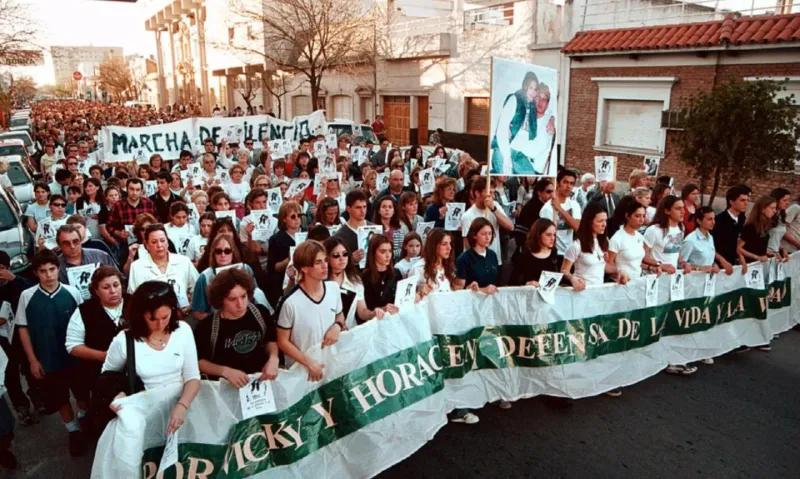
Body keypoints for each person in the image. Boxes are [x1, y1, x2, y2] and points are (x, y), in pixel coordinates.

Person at [102, 281, 200, 436]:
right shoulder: (124, 340)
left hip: (182, 406)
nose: (160, 324)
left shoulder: (183, 331)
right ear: (141, 315)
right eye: (152, 319)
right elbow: (107, 376)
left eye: (165, 317)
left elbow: (193, 377)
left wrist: (182, 406)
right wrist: (117, 395)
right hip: (143, 412)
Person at [16, 250, 87, 456]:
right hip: (48, 359)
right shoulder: (27, 296)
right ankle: (73, 431)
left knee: (82, 394)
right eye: (43, 271)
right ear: (36, 273)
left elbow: (84, 323)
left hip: (74, 358)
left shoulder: (72, 292)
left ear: (58, 269)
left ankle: (84, 419)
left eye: (52, 269)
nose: (48, 275)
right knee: (60, 398)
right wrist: (32, 360)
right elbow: (23, 328)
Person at [194, 269, 279, 385]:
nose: (240, 304)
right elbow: (199, 362)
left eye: (243, 296)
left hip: (261, 381)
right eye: (232, 299)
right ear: (221, 299)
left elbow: (271, 340)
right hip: (226, 387)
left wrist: (273, 358)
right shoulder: (206, 326)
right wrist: (225, 371)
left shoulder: (261, 313)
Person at [275, 240, 345, 381]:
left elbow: (340, 315)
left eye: (325, 260)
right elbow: (282, 341)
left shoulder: (333, 288)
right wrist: (309, 363)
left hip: (330, 365)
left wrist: (337, 326)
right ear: (304, 268)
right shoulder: (290, 302)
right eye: (318, 262)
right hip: (301, 373)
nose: (325, 266)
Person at [65, 267, 126, 415]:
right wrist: (104, 356)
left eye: (116, 285)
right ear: (96, 290)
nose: (113, 291)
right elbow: (72, 345)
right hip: (100, 375)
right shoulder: (84, 311)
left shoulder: (136, 303)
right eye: (106, 287)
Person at [191, 233, 270, 320]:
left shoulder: (246, 269)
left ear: (233, 252)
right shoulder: (204, 277)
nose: (223, 255)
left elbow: (255, 295)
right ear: (213, 253)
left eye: (227, 251)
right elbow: (198, 313)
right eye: (218, 251)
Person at [0, 252, 38, 426]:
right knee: (10, 375)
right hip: (2, 340)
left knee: (31, 369)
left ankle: (38, 398)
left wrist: (14, 279)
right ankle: (21, 408)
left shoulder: (18, 283)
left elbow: (34, 291)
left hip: (21, 335)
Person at [127, 223, 199, 312]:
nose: (159, 245)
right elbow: (134, 298)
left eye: (162, 240)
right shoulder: (137, 266)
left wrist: (189, 307)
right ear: (146, 244)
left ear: (167, 242)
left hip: (184, 314)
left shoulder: (184, 261)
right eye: (154, 242)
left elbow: (197, 289)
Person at [561, 204, 627, 290]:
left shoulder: (604, 241)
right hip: (583, 290)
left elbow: (602, 265)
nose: (604, 224)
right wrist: (573, 279)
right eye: (600, 221)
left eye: (605, 221)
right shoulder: (576, 245)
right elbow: (564, 270)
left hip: (599, 290)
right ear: (589, 222)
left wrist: (618, 270)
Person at [490, 72, 541, 175]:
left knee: (531, 175)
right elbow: (502, 129)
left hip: (519, 154)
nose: (533, 92)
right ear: (525, 86)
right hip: (503, 150)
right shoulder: (515, 99)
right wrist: (506, 157)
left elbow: (532, 136)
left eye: (535, 89)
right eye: (530, 88)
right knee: (507, 178)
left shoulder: (532, 107)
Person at [325, 237, 375, 329]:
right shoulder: (320, 281)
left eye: (345, 254)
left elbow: (362, 311)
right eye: (336, 255)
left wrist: (374, 313)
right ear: (327, 258)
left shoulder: (355, 280)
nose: (342, 259)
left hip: (350, 333)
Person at [608, 200, 658, 280]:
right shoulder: (617, 238)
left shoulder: (639, 236)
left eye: (643, 216)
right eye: (637, 216)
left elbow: (635, 262)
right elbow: (608, 265)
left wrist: (651, 267)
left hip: (637, 282)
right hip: (621, 284)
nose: (641, 220)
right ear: (627, 216)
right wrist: (621, 276)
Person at [644, 196, 694, 275]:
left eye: (683, 208)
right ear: (667, 211)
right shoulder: (654, 230)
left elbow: (675, 251)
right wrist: (659, 265)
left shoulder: (681, 228)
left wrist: (683, 263)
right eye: (678, 208)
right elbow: (642, 255)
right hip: (655, 276)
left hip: (671, 278)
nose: (683, 212)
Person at [539, 170, 581, 264]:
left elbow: (578, 227)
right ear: (558, 183)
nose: (568, 186)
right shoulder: (548, 208)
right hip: (553, 254)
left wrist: (560, 209)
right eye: (565, 182)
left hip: (570, 255)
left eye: (572, 183)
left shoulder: (574, 205)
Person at [266, 201, 303, 304]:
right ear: (284, 219)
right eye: (293, 216)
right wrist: (289, 259)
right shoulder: (276, 239)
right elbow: (273, 268)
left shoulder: (308, 233)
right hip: (284, 282)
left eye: (299, 215)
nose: (297, 219)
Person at [107, 178, 157, 249]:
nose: (134, 192)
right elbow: (109, 227)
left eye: (137, 190)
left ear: (141, 191)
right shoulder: (118, 205)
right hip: (126, 246)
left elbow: (156, 223)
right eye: (132, 189)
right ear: (126, 189)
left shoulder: (149, 204)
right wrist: (120, 234)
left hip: (147, 244)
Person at [508, 218, 560, 286]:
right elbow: (513, 280)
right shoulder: (525, 254)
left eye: (554, 234)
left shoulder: (554, 252)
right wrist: (527, 283)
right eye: (548, 235)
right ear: (538, 235)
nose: (553, 238)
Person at [456, 217, 500, 294]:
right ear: (474, 235)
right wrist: (480, 289)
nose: (487, 237)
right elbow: (458, 288)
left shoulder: (493, 255)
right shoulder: (464, 258)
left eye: (490, 233)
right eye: (483, 234)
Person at [712, 185, 750, 274]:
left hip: (733, 263)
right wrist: (722, 261)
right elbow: (710, 246)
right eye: (742, 200)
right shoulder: (718, 220)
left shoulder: (741, 218)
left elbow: (736, 242)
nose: (746, 203)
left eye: (747, 200)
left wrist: (741, 258)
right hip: (718, 265)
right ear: (732, 202)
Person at [360, 234, 399, 320]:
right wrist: (382, 309)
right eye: (383, 252)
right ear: (373, 253)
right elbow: (364, 309)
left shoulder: (396, 273)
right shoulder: (364, 277)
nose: (388, 255)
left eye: (390, 251)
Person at [333, 190, 371, 265]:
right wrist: (351, 259)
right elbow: (335, 263)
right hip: (354, 274)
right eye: (358, 207)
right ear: (348, 209)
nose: (362, 211)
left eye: (364, 207)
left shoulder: (375, 229)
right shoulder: (340, 236)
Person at [681, 207, 722, 274]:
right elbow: (681, 264)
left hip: (707, 281)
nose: (713, 222)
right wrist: (699, 268)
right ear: (699, 221)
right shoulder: (690, 240)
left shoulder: (710, 237)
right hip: (693, 281)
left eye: (713, 219)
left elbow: (708, 259)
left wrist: (714, 265)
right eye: (709, 219)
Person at [372, 196, 404, 261]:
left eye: (390, 207)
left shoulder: (399, 229)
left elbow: (402, 249)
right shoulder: (373, 228)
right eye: (384, 207)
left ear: (394, 211)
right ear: (379, 210)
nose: (387, 209)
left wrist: (389, 254)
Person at [768, 188, 798, 256]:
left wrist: (782, 249)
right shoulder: (768, 216)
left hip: (775, 254)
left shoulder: (781, 217)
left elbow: (776, 238)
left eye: (788, 200)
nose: (787, 202)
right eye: (784, 200)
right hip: (765, 254)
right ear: (776, 200)